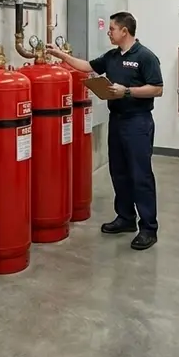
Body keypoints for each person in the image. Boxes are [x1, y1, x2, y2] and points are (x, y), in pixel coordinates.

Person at [47, 12, 163, 250]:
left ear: (124, 31)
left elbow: (157, 89)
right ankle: (126, 218)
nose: (108, 32)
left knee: (140, 175)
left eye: (112, 28)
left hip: (138, 122)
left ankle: (149, 228)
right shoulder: (111, 56)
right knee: (118, 172)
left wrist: (127, 91)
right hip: (118, 120)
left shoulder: (145, 57)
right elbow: (88, 67)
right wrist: (61, 55)